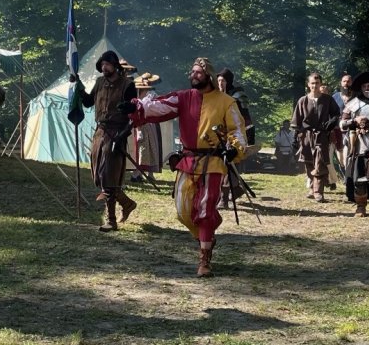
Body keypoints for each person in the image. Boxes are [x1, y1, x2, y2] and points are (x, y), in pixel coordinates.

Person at [125, 57, 247, 277]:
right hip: (188, 161)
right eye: (192, 72)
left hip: (213, 163)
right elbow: (158, 106)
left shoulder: (226, 101)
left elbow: (237, 130)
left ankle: (204, 260)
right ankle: (207, 231)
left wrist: (234, 148)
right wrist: (135, 106)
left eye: (198, 72)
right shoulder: (183, 97)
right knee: (182, 210)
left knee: (205, 209)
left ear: (208, 75)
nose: (193, 75)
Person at [73, 50, 138, 231]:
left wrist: (123, 134)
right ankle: (127, 203)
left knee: (108, 176)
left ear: (115, 65)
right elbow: (87, 102)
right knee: (98, 176)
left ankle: (111, 220)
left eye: (107, 64)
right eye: (102, 64)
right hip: (100, 132)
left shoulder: (127, 85)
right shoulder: (100, 82)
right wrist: (78, 85)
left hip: (117, 133)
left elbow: (134, 113)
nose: (104, 67)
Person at [290, 72, 340, 203]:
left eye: (317, 83)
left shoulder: (328, 99)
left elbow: (336, 114)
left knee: (320, 162)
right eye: (312, 83)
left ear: (320, 84)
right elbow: (297, 121)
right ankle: (312, 187)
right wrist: (295, 137)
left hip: (322, 135)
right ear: (308, 85)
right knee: (308, 162)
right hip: (306, 136)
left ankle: (319, 192)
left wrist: (332, 121)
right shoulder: (303, 100)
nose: (315, 85)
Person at [340, 71, 369, 217]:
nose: (368, 89)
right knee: (360, 176)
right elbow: (341, 124)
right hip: (360, 143)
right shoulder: (353, 104)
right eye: (365, 86)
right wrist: (354, 121)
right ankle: (361, 205)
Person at [216, 68, 253, 207]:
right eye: (219, 80)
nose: (220, 84)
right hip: (219, 134)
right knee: (220, 165)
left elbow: (244, 118)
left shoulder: (237, 96)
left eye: (223, 81)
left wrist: (244, 137)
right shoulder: (215, 95)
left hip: (234, 134)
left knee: (229, 164)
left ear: (229, 81)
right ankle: (236, 189)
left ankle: (224, 198)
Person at [131, 72, 163, 183]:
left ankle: (150, 174)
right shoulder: (140, 93)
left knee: (152, 148)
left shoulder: (151, 93)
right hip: (143, 123)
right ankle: (136, 174)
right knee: (143, 149)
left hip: (151, 123)